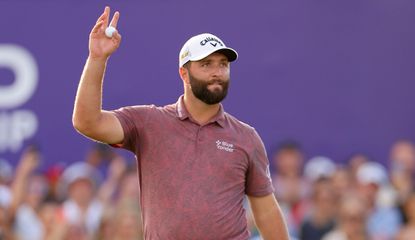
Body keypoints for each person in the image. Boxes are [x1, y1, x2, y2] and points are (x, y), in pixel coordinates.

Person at [72, 6, 289, 240]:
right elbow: (87, 122)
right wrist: (97, 58)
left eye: (223, 64)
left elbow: (266, 211)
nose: (217, 71)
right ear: (184, 74)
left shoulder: (246, 137)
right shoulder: (149, 122)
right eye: (206, 64)